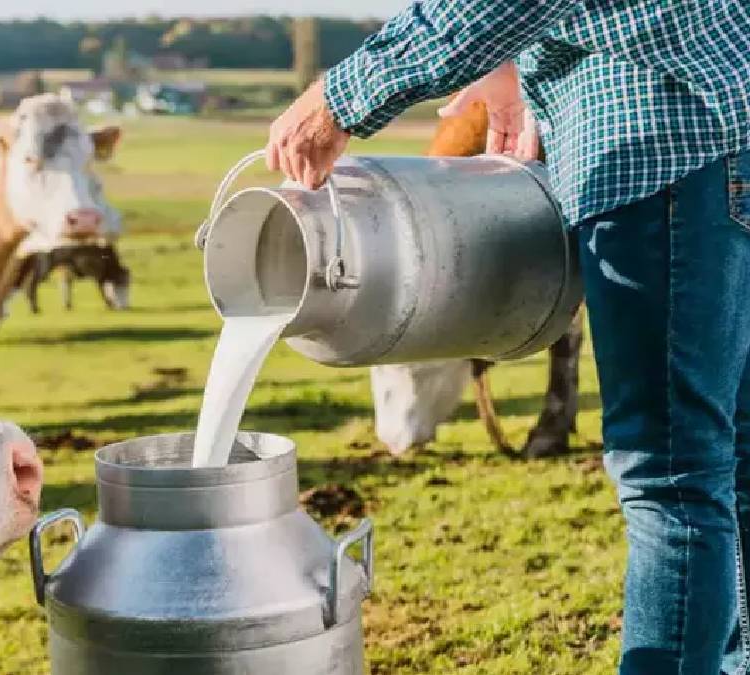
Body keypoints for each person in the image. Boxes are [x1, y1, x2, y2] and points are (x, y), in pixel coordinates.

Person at [265, 2, 750, 673]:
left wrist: (338, 100)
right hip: (719, 134)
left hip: (659, 141)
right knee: (728, 453)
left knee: (669, 469)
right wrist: (510, 62)